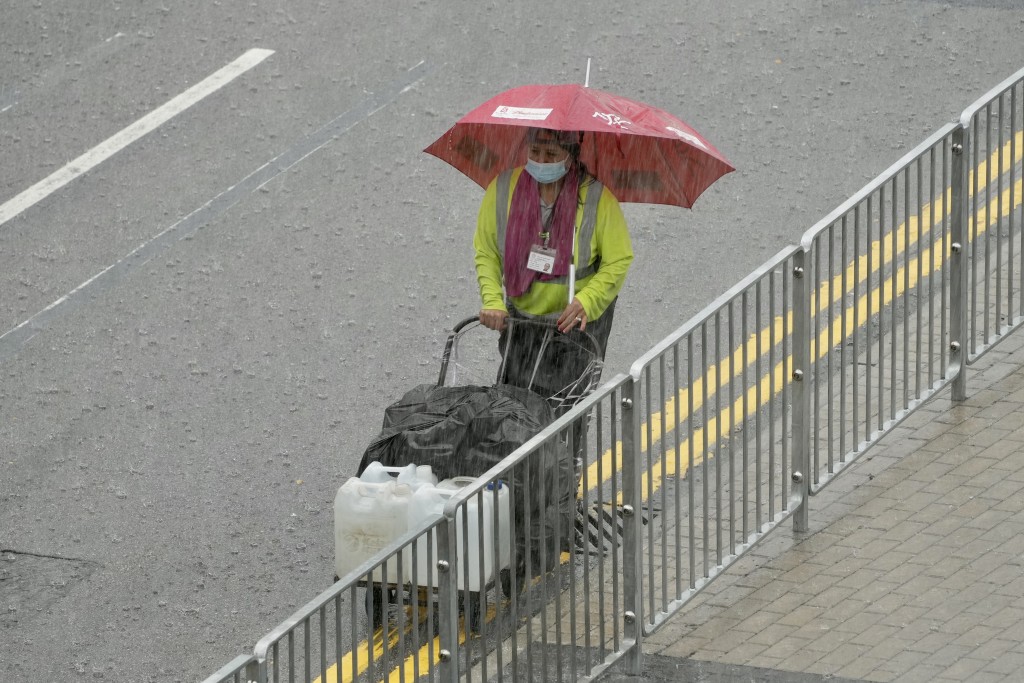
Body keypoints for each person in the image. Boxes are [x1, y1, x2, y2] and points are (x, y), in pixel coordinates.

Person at [473, 127, 633, 404]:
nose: (541, 162)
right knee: (511, 410)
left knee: (565, 415)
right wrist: (492, 301)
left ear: (570, 156)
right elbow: (486, 251)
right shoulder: (502, 189)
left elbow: (618, 259)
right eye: (534, 152)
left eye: (551, 154)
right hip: (521, 322)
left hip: (574, 330)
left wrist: (588, 300)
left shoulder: (597, 198)